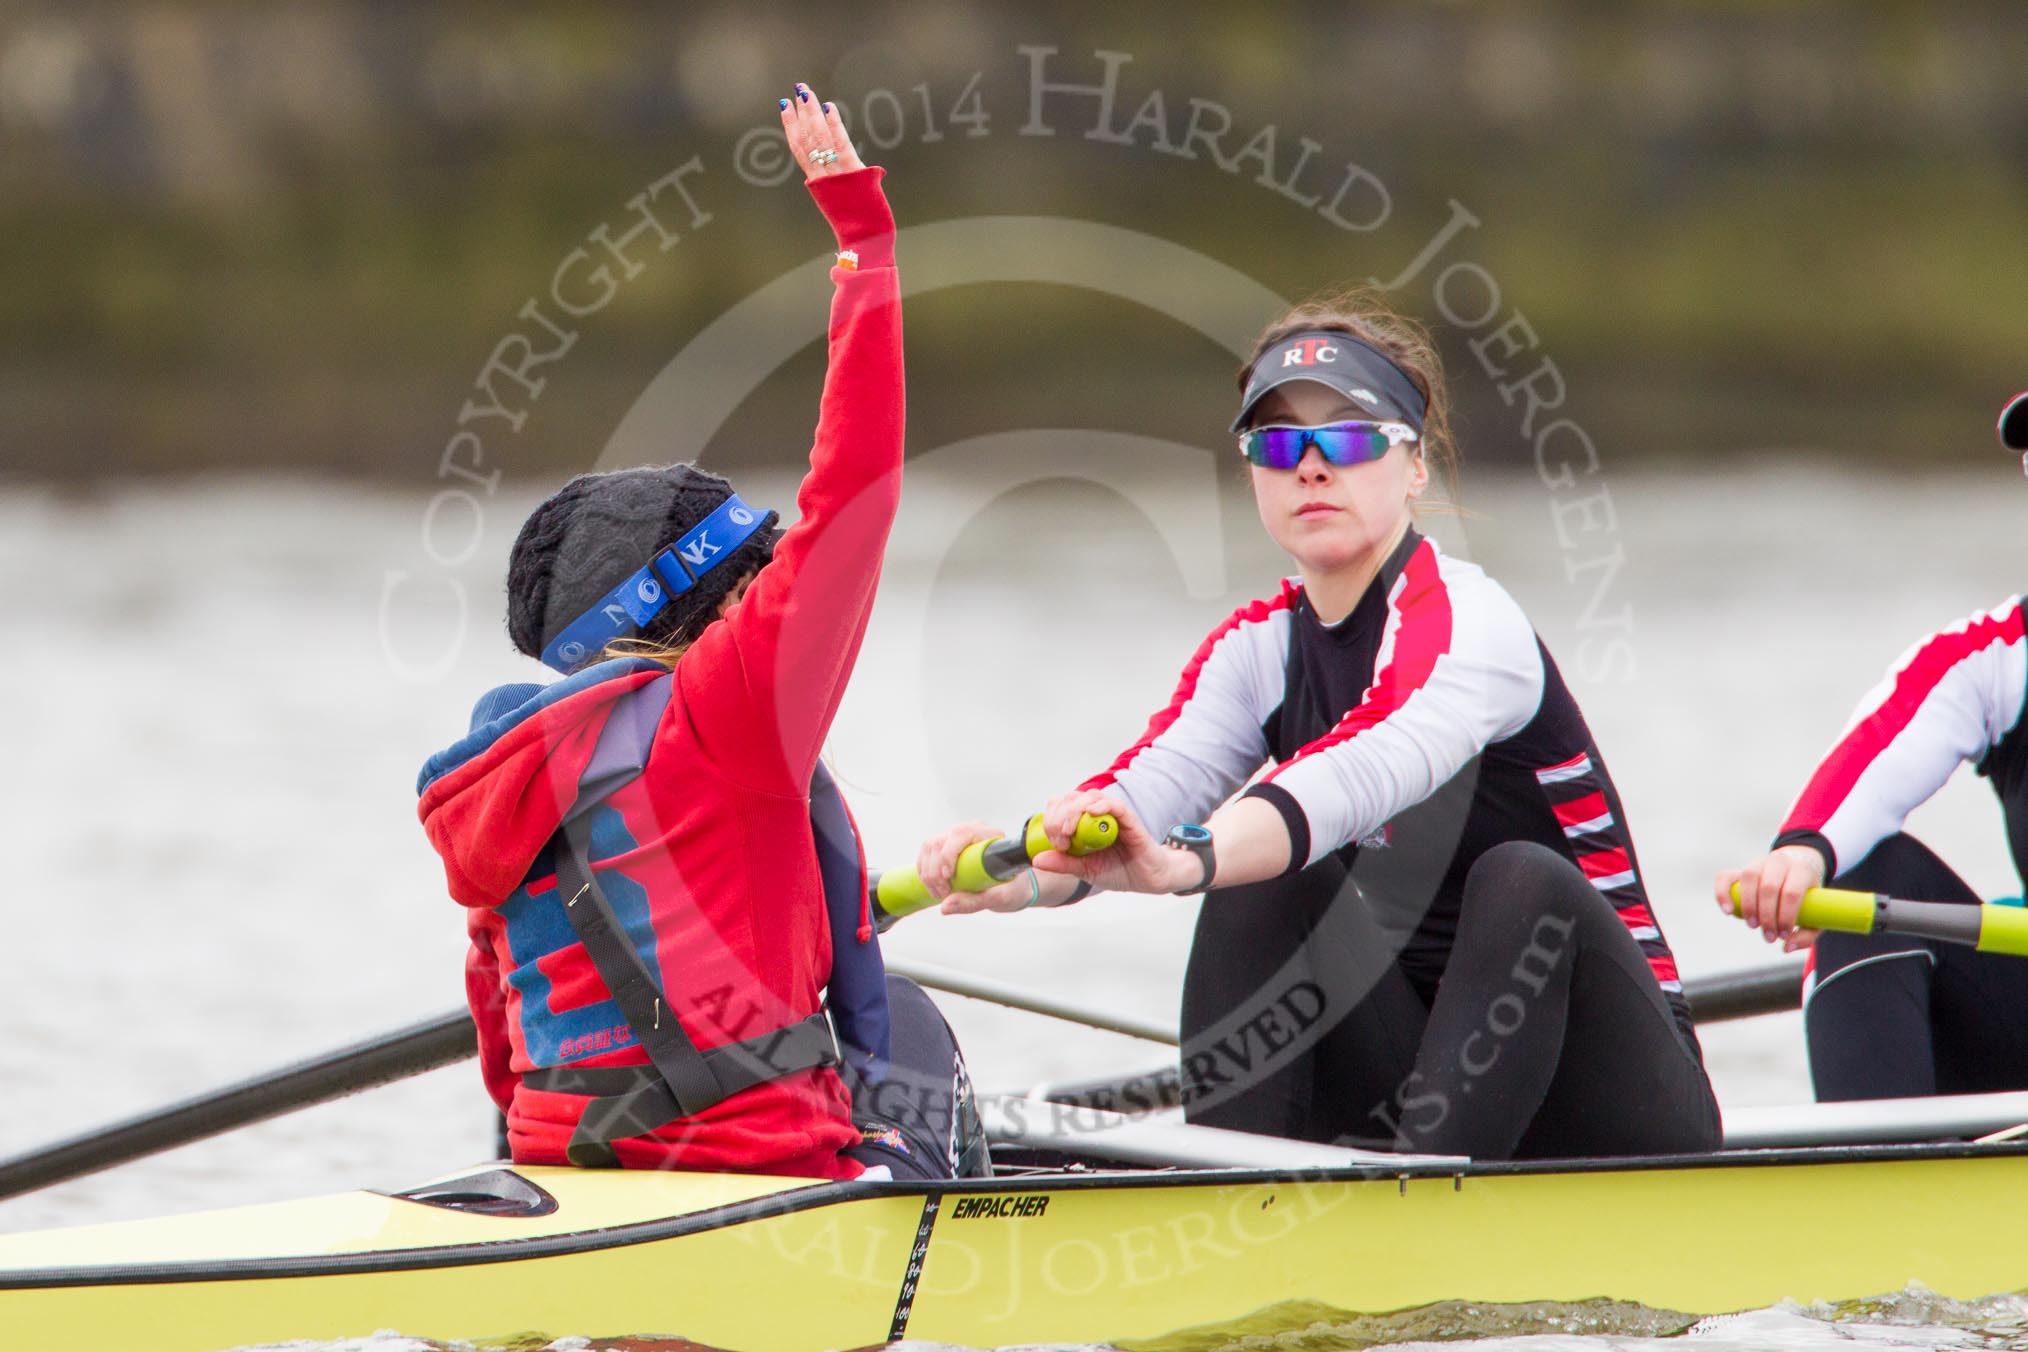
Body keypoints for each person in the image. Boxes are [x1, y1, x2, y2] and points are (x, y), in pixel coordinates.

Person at [916, 287, 1721, 1161]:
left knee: (1518, 879)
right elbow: (1145, 792)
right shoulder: (1256, 652)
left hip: (1614, 1085)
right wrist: (1023, 875)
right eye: (1278, 444)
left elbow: (1360, 769)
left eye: (1346, 436)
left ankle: (1412, 1216)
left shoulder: (1472, 627)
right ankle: (1230, 1205)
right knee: (1261, 880)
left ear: (1414, 466)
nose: (1310, 466)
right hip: (1424, 1080)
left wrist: (1189, 859)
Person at [417, 85, 980, 1181]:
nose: (775, 583)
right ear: (706, 606)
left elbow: (499, 1030)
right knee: (907, 1022)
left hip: (561, 1158)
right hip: (761, 1162)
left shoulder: (493, 771)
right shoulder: (731, 712)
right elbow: (852, 487)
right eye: (754, 573)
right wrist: (866, 239)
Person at [1719, 392, 2028, 1102]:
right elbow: (1880, 755)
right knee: (1860, 873)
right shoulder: (1994, 658)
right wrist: (1801, 858)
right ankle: (1872, 1187)